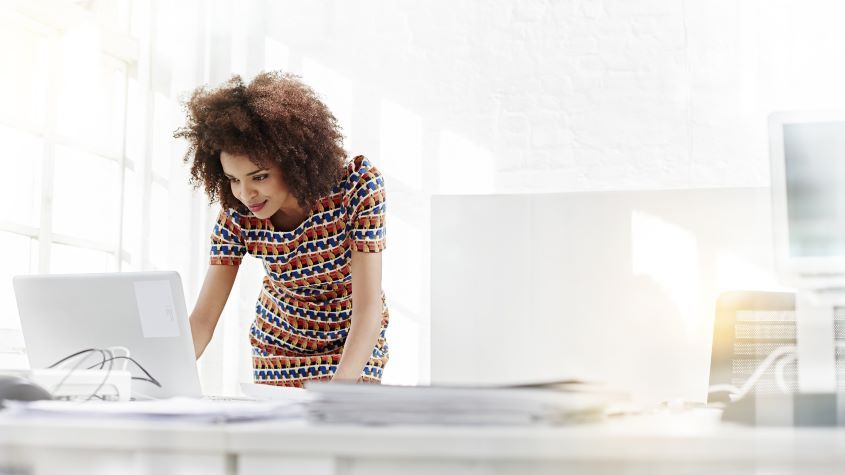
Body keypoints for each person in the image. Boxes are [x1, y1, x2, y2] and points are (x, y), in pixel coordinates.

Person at [174, 71, 389, 387]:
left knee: (341, 430)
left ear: (293, 160)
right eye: (234, 180)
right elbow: (203, 320)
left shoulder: (357, 187)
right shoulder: (239, 213)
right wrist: (158, 379)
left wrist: (339, 392)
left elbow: (368, 308)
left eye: (259, 176)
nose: (247, 194)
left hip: (353, 339)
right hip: (278, 349)